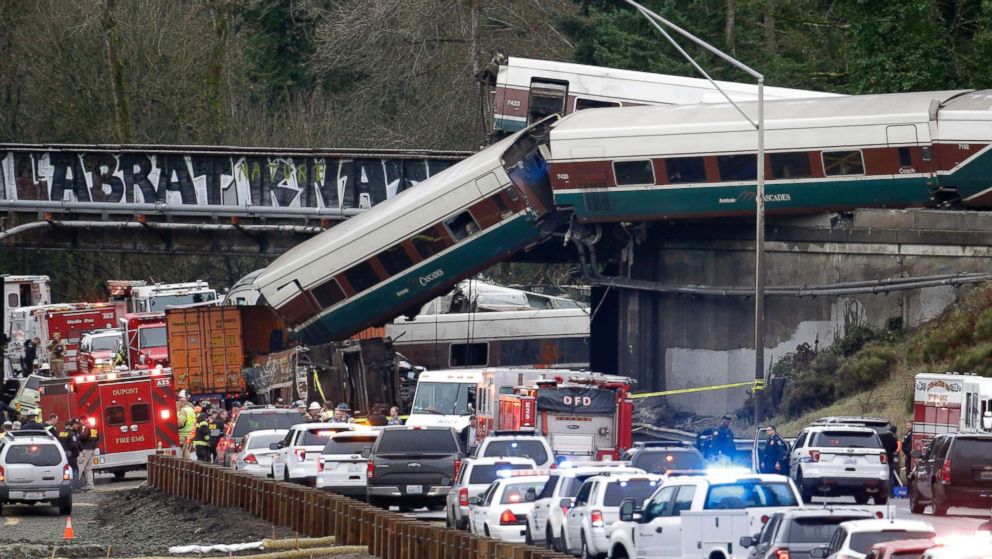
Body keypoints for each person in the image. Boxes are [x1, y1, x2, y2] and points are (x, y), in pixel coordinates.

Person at [78, 415, 99, 491]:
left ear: (83, 420)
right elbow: (97, 438)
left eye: (80, 420)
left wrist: (78, 436)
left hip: (85, 449)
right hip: (92, 448)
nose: (79, 422)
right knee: (88, 468)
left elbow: (83, 436)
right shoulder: (94, 428)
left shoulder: (85, 427)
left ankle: (75, 485)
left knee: (79, 466)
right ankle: (90, 485)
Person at [176, 390, 195, 459]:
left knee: (180, 455)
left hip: (182, 435)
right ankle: (187, 467)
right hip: (189, 435)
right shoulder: (191, 408)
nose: (178, 402)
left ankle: (183, 468)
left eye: (179, 399)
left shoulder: (184, 410)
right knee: (186, 454)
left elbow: (180, 423)